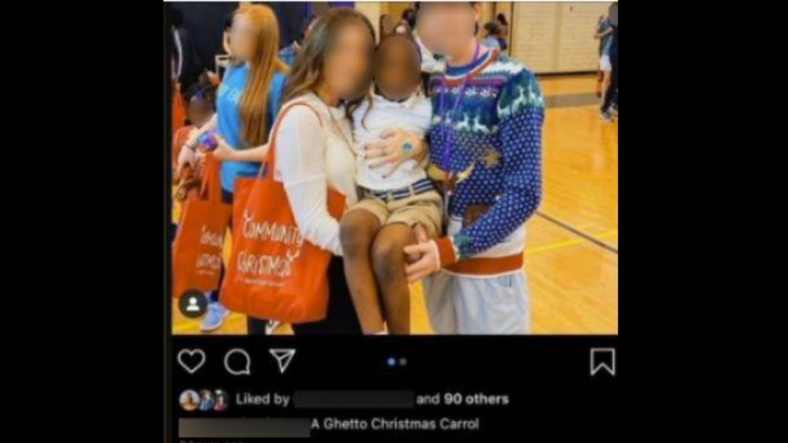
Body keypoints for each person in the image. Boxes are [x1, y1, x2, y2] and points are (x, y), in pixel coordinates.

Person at [212, 8, 415, 335]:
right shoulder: (303, 117)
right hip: (328, 272)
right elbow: (311, 222)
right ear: (320, 49)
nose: (354, 61)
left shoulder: (345, 109)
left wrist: (413, 147)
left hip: (352, 266)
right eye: (342, 48)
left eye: (363, 52)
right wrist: (373, 255)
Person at [406, 2, 544, 335]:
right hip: (439, 262)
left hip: (490, 268)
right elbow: (436, 169)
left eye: (451, 6)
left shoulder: (515, 81)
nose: (440, 18)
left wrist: (454, 247)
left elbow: (526, 192)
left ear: (476, 10)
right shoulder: (434, 82)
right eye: (430, 9)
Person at [177, 4, 289, 334]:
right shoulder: (235, 69)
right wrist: (192, 143)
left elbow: (282, 145)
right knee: (229, 253)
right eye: (233, 31)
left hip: (257, 189)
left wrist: (234, 155)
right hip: (226, 182)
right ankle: (243, 304)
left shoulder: (280, 82)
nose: (232, 37)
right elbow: (220, 117)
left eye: (241, 32)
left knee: (253, 266)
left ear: (261, 37)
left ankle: (265, 316)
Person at [340, 35, 438, 335]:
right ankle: (374, 333)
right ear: (374, 69)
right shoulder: (357, 107)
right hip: (372, 199)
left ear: (419, 74)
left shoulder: (428, 110)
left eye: (408, 66)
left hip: (416, 199)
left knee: (387, 250)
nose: (398, 74)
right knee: (351, 229)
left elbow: (442, 159)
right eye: (389, 65)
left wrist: (419, 147)